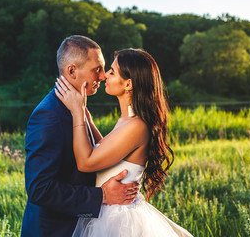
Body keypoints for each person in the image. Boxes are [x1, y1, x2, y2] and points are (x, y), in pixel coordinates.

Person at [55, 48, 193, 236]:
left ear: (128, 84)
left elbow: (86, 162)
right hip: (107, 213)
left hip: (117, 222)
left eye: (111, 72)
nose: (104, 76)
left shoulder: (136, 126)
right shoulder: (127, 121)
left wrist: (77, 113)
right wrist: (86, 114)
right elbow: (106, 150)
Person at [21, 36, 140, 237]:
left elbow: (100, 154)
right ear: (72, 71)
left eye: (105, 69)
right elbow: (39, 189)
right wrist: (101, 196)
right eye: (97, 69)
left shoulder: (78, 108)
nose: (103, 76)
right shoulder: (49, 115)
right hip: (54, 231)